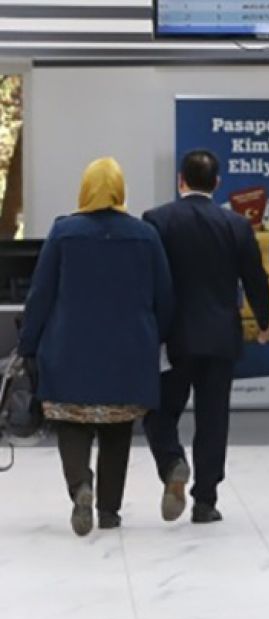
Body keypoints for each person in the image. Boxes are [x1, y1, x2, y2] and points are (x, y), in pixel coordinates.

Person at [18, 157, 174, 535]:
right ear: (120, 190)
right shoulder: (145, 235)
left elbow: (41, 293)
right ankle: (109, 511)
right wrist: (157, 338)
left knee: (71, 424)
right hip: (128, 351)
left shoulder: (64, 232)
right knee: (117, 431)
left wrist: (28, 344)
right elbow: (164, 296)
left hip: (69, 349)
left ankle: (80, 487)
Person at [142, 149, 269, 525]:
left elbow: (146, 278)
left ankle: (172, 462)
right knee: (213, 420)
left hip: (172, 338)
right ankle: (205, 501)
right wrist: (264, 321)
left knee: (158, 411)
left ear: (180, 180)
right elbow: (255, 278)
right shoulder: (236, 225)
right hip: (220, 337)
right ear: (217, 183)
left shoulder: (157, 221)